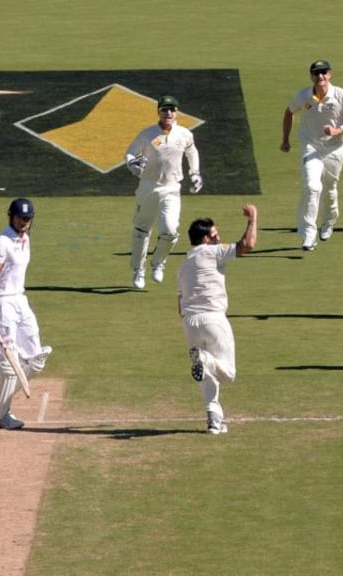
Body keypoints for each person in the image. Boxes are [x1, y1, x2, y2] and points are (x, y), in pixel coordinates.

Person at [177, 204, 258, 434]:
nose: (219, 238)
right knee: (228, 374)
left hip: (190, 323)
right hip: (213, 319)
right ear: (205, 239)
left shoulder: (183, 267)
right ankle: (204, 359)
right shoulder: (212, 252)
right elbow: (247, 245)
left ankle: (214, 420)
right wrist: (252, 220)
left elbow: (180, 307)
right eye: (215, 235)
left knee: (207, 375)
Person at [0, 197, 52, 429]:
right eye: (21, 218)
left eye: (28, 219)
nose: (24, 222)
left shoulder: (26, 239)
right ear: (11, 216)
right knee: (8, 365)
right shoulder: (1, 241)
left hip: (20, 300)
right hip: (2, 304)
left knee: (36, 359)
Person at [281, 59, 343, 251]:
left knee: (329, 188)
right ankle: (309, 233)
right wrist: (285, 140)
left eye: (324, 73)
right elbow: (288, 113)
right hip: (310, 147)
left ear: (330, 74)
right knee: (312, 186)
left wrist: (338, 131)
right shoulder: (303, 96)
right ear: (311, 76)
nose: (320, 76)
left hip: (335, 149)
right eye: (316, 73)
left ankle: (328, 222)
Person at [125, 94, 203, 289]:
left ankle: (158, 262)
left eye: (172, 109)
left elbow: (192, 152)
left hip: (171, 187)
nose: (168, 112)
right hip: (148, 186)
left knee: (169, 230)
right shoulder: (147, 134)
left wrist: (195, 173)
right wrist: (133, 164)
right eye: (164, 109)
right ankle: (138, 270)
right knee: (142, 230)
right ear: (158, 111)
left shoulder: (184, 134)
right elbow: (130, 153)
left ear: (177, 112)